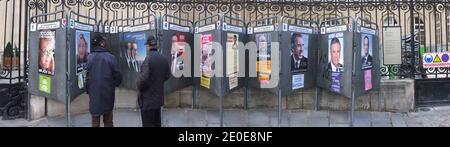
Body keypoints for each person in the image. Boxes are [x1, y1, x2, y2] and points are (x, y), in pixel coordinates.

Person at [86, 34, 122, 127]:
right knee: (108, 120)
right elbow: (118, 76)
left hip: (94, 93)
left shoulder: (89, 57)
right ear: (101, 43)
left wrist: (89, 89)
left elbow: (87, 76)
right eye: (103, 41)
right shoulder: (110, 57)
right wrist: (113, 84)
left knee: (95, 120)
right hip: (108, 93)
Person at [137, 35, 171, 127]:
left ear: (148, 46)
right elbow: (168, 75)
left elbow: (143, 79)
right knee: (157, 123)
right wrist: (158, 82)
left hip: (147, 100)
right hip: (158, 99)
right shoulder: (163, 58)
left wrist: (139, 85)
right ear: (156, 45)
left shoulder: (148, 59)